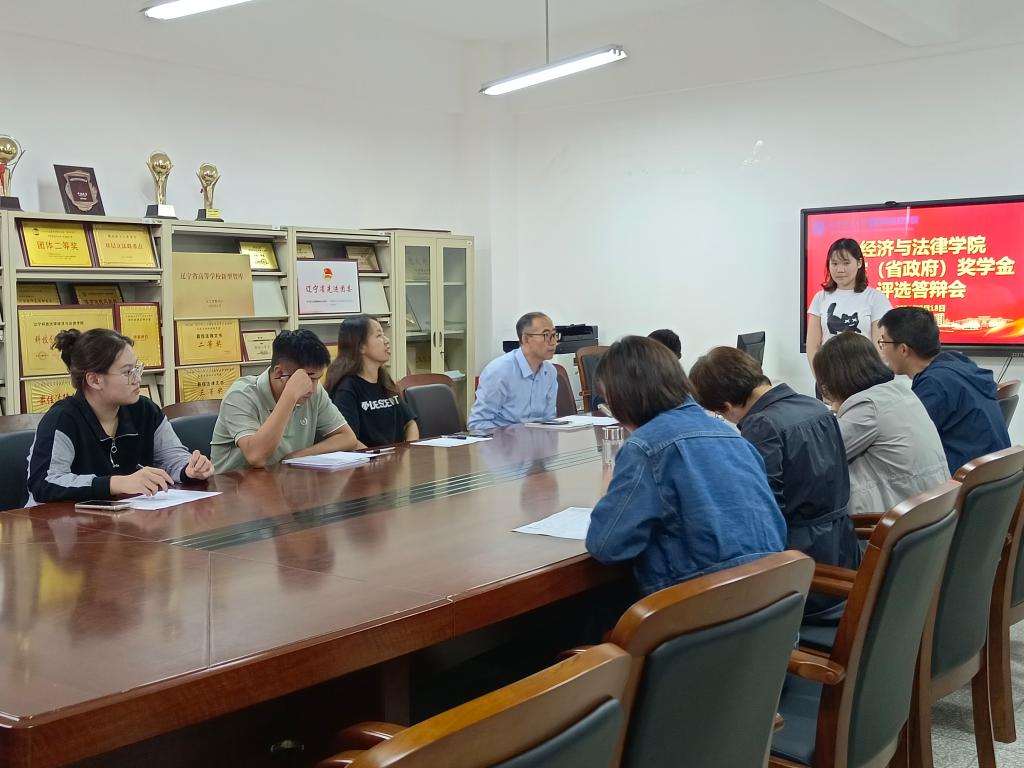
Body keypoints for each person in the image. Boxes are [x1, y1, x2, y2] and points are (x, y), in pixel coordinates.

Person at [585, 336, 786, 598]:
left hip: (703, 610)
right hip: (771, 602)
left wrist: (607, 495)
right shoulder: (734, 437)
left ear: (624, 398)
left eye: (609, 402)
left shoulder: (646, 448)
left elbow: (605, 545)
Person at [689, 346, 860, 615]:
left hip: (801, 569)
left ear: (727, 405)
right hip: (844, 553)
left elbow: (764, 516)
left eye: (721, 415)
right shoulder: (814, 405)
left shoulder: (762, 424)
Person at [27, 328, 213, 505]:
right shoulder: (63, 419)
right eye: (127, 372)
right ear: (94, 380)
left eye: (137, 369)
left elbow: (171, 458)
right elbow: (44, 483)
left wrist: (190, 469)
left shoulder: (145, 410)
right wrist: (116, 483)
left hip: (125, 517)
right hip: (60, 521)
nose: (138, 379)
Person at [813, 332, 949, 516]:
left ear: (837, 378)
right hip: (929, 514)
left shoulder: (868, 406)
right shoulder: (899, 392)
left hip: (896, 522)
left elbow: (819, 455)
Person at [878, 306, 1010, 474]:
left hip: (963, 478)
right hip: (991, 474)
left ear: (903, 349)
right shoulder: (957, 363)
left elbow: (902, 441)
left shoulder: (935, 384)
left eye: (884, 343)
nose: (882, 349)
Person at [211, 329, 359, 472]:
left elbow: (347, 438)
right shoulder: (240, 395)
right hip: (234, 485)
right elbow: (256, 457)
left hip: (285, 480)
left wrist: (299, 456)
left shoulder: (314, 392)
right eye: (308, 379)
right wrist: (290, 395)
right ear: (279, 372)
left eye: (317, 379)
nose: (313, 388)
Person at [324, 315, 419, 447]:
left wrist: (409, 450)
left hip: (394, 457)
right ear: (360, 346)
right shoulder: (346, 388)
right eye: (379, 335)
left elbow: (409, 423)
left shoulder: (384, 380)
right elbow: (348, 440)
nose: (387, 340)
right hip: (368, 458)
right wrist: (377, 457)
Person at [806, 238, 892, 379]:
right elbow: (812, 347)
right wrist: (820, 379)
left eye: (846, 263)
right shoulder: (820, 298)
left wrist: (874, 378)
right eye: (834, 264)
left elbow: (880, 347)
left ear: (859, 263)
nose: (840, 270)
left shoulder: (875, 298)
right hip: (829, 376)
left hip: (864, 377)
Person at [468, 312, 558, 431]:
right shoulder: (499, 371)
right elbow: (477, 424)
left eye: (554, 335)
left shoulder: (550, 372)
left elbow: (549, 421)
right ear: (526, 339)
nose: (553, 342)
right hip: (503, 440)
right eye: (546, 335)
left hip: (537, 440)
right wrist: (513, 436)